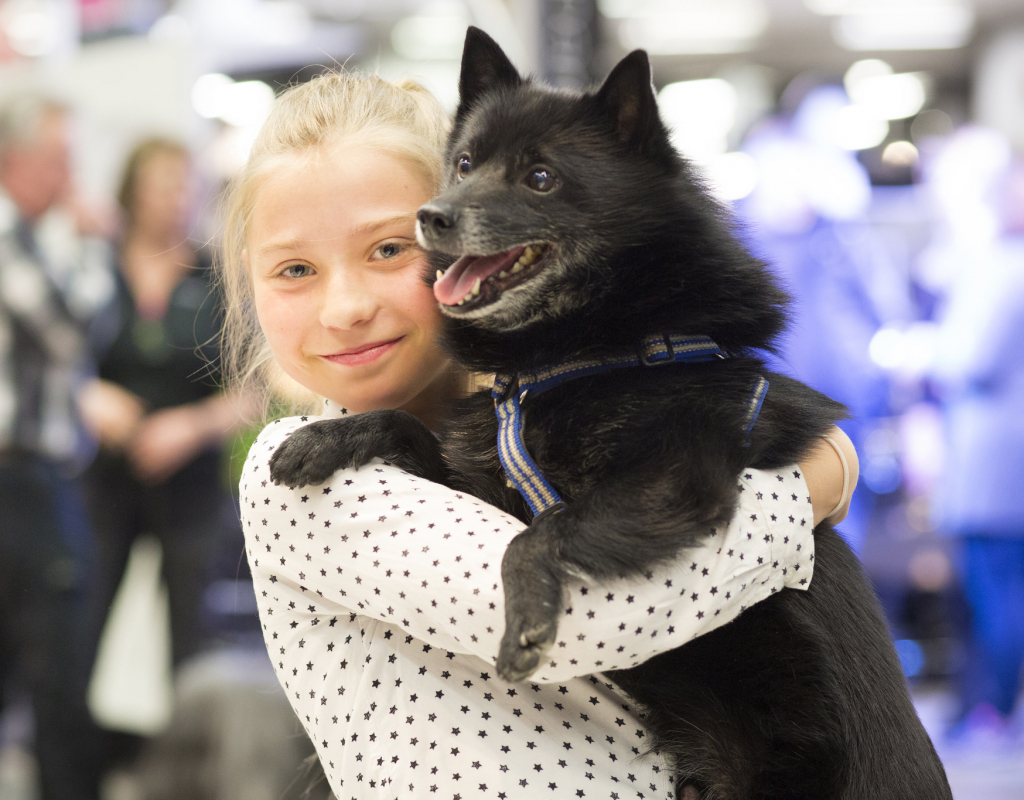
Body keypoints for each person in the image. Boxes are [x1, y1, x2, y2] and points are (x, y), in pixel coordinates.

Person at [217, 71, 859, 798]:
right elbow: (591, 615)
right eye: (295, 269)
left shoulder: (518, 431)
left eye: (390, 250)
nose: (345, 307)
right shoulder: (303, 482)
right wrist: (806, 487)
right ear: (251, 281)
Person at [79, 137, 254, 672]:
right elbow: (49, 359)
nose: (175, 198)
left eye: (185, 185)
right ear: (132, 192)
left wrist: (191, 427)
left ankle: (187, 752)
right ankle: (77, 753)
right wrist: (87, 394)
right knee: (79, 625)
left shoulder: (216, 277)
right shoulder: (91, 269)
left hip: (191, 482)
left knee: (191, 641)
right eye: (162, 185)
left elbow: (252, 388)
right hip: (101, 477)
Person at [0, 93, 114, 800]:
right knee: (59, 675)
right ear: (16, 160)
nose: (72, 176)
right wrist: (94, 241)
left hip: (29, 485)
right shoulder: (14, 238)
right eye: (61, 159)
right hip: (23, 486)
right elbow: (74, 329)